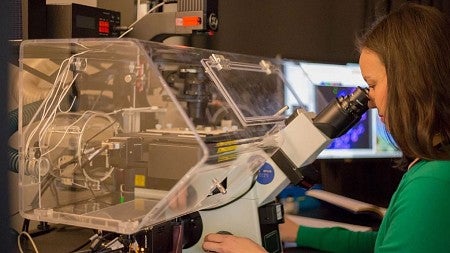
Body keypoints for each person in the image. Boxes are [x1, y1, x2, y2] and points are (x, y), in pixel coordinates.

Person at [202, 3, 450, 253]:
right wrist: (299, 232)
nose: (370, 101)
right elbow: (378, 243)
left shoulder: (432, 182)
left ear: (409, 82)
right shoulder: (432, 166)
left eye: (372, 85)